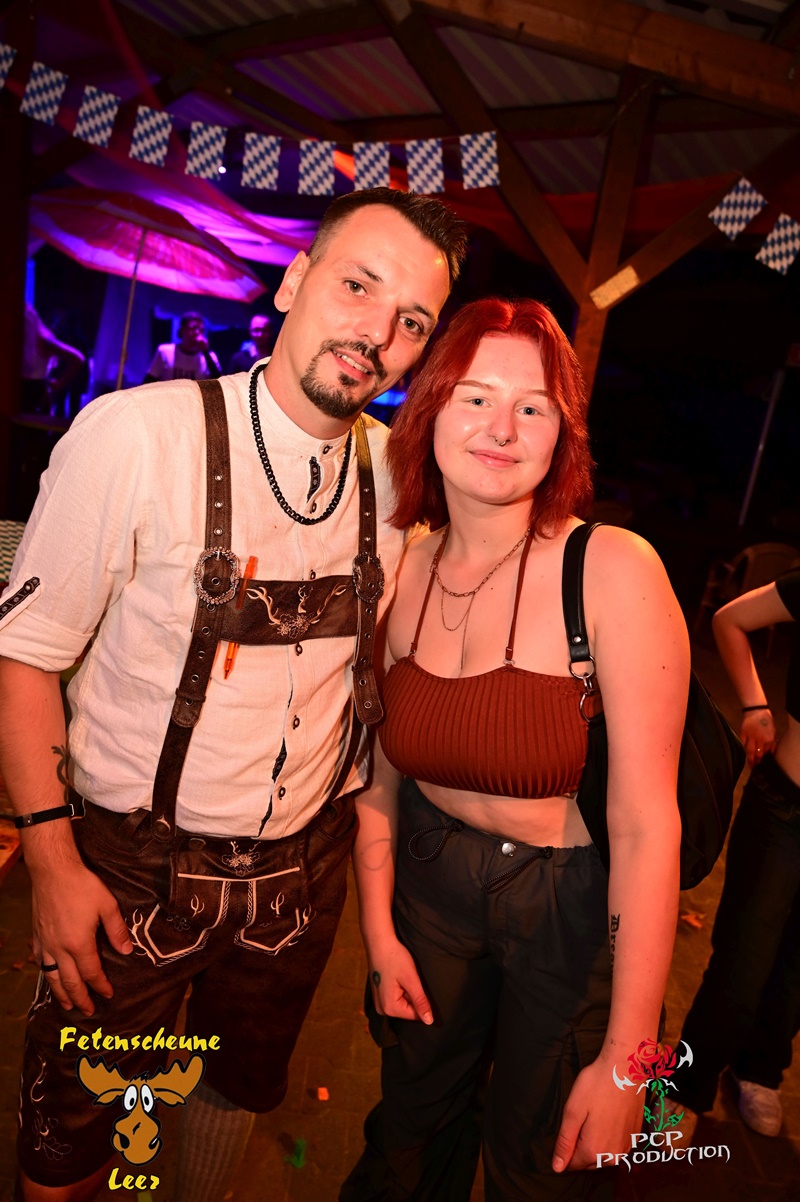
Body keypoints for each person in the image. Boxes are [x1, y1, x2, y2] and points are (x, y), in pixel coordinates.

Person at [0, 187, 466, 1202]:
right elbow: (24, 655)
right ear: (294, 281)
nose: (375, 332)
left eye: (411, 320)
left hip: (302, 874)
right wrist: (50, 858)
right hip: (132, 869)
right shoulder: (136, 437)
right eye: (357, 286)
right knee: (71, 1130)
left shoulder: (400, 479)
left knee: (235, 1089)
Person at [340, 297, 689, 1201]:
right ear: (430, 411)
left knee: (542, 1163)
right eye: (475, 397)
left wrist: (631, 1059)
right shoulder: (403, 566)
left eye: (532, 406)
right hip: (430, 886)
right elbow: (378, 781)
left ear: (561, 433)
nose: (501, 428)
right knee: (408, 1133)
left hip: (569, 906)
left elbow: (647, 825)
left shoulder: (611, 569)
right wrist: (379, 934)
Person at [679, 571, 800, 1136]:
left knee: (796, 972)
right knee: (741, 963)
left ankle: (760, 1070)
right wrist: (754, 706)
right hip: (785, 811)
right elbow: (729, 620)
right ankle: (686, 1084)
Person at [22, 302, 85, 415]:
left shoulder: (42, 339)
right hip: (22, 390)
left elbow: (77, 358)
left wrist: (59, 383)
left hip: (35, 392)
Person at [144, 311, 222, 382]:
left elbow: (219, 382)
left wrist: (205, 352)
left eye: (201, 330)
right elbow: (149, 380)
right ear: (182, 330)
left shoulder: (210, 356)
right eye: (193, 328)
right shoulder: (165, 351)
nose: (197, 332)